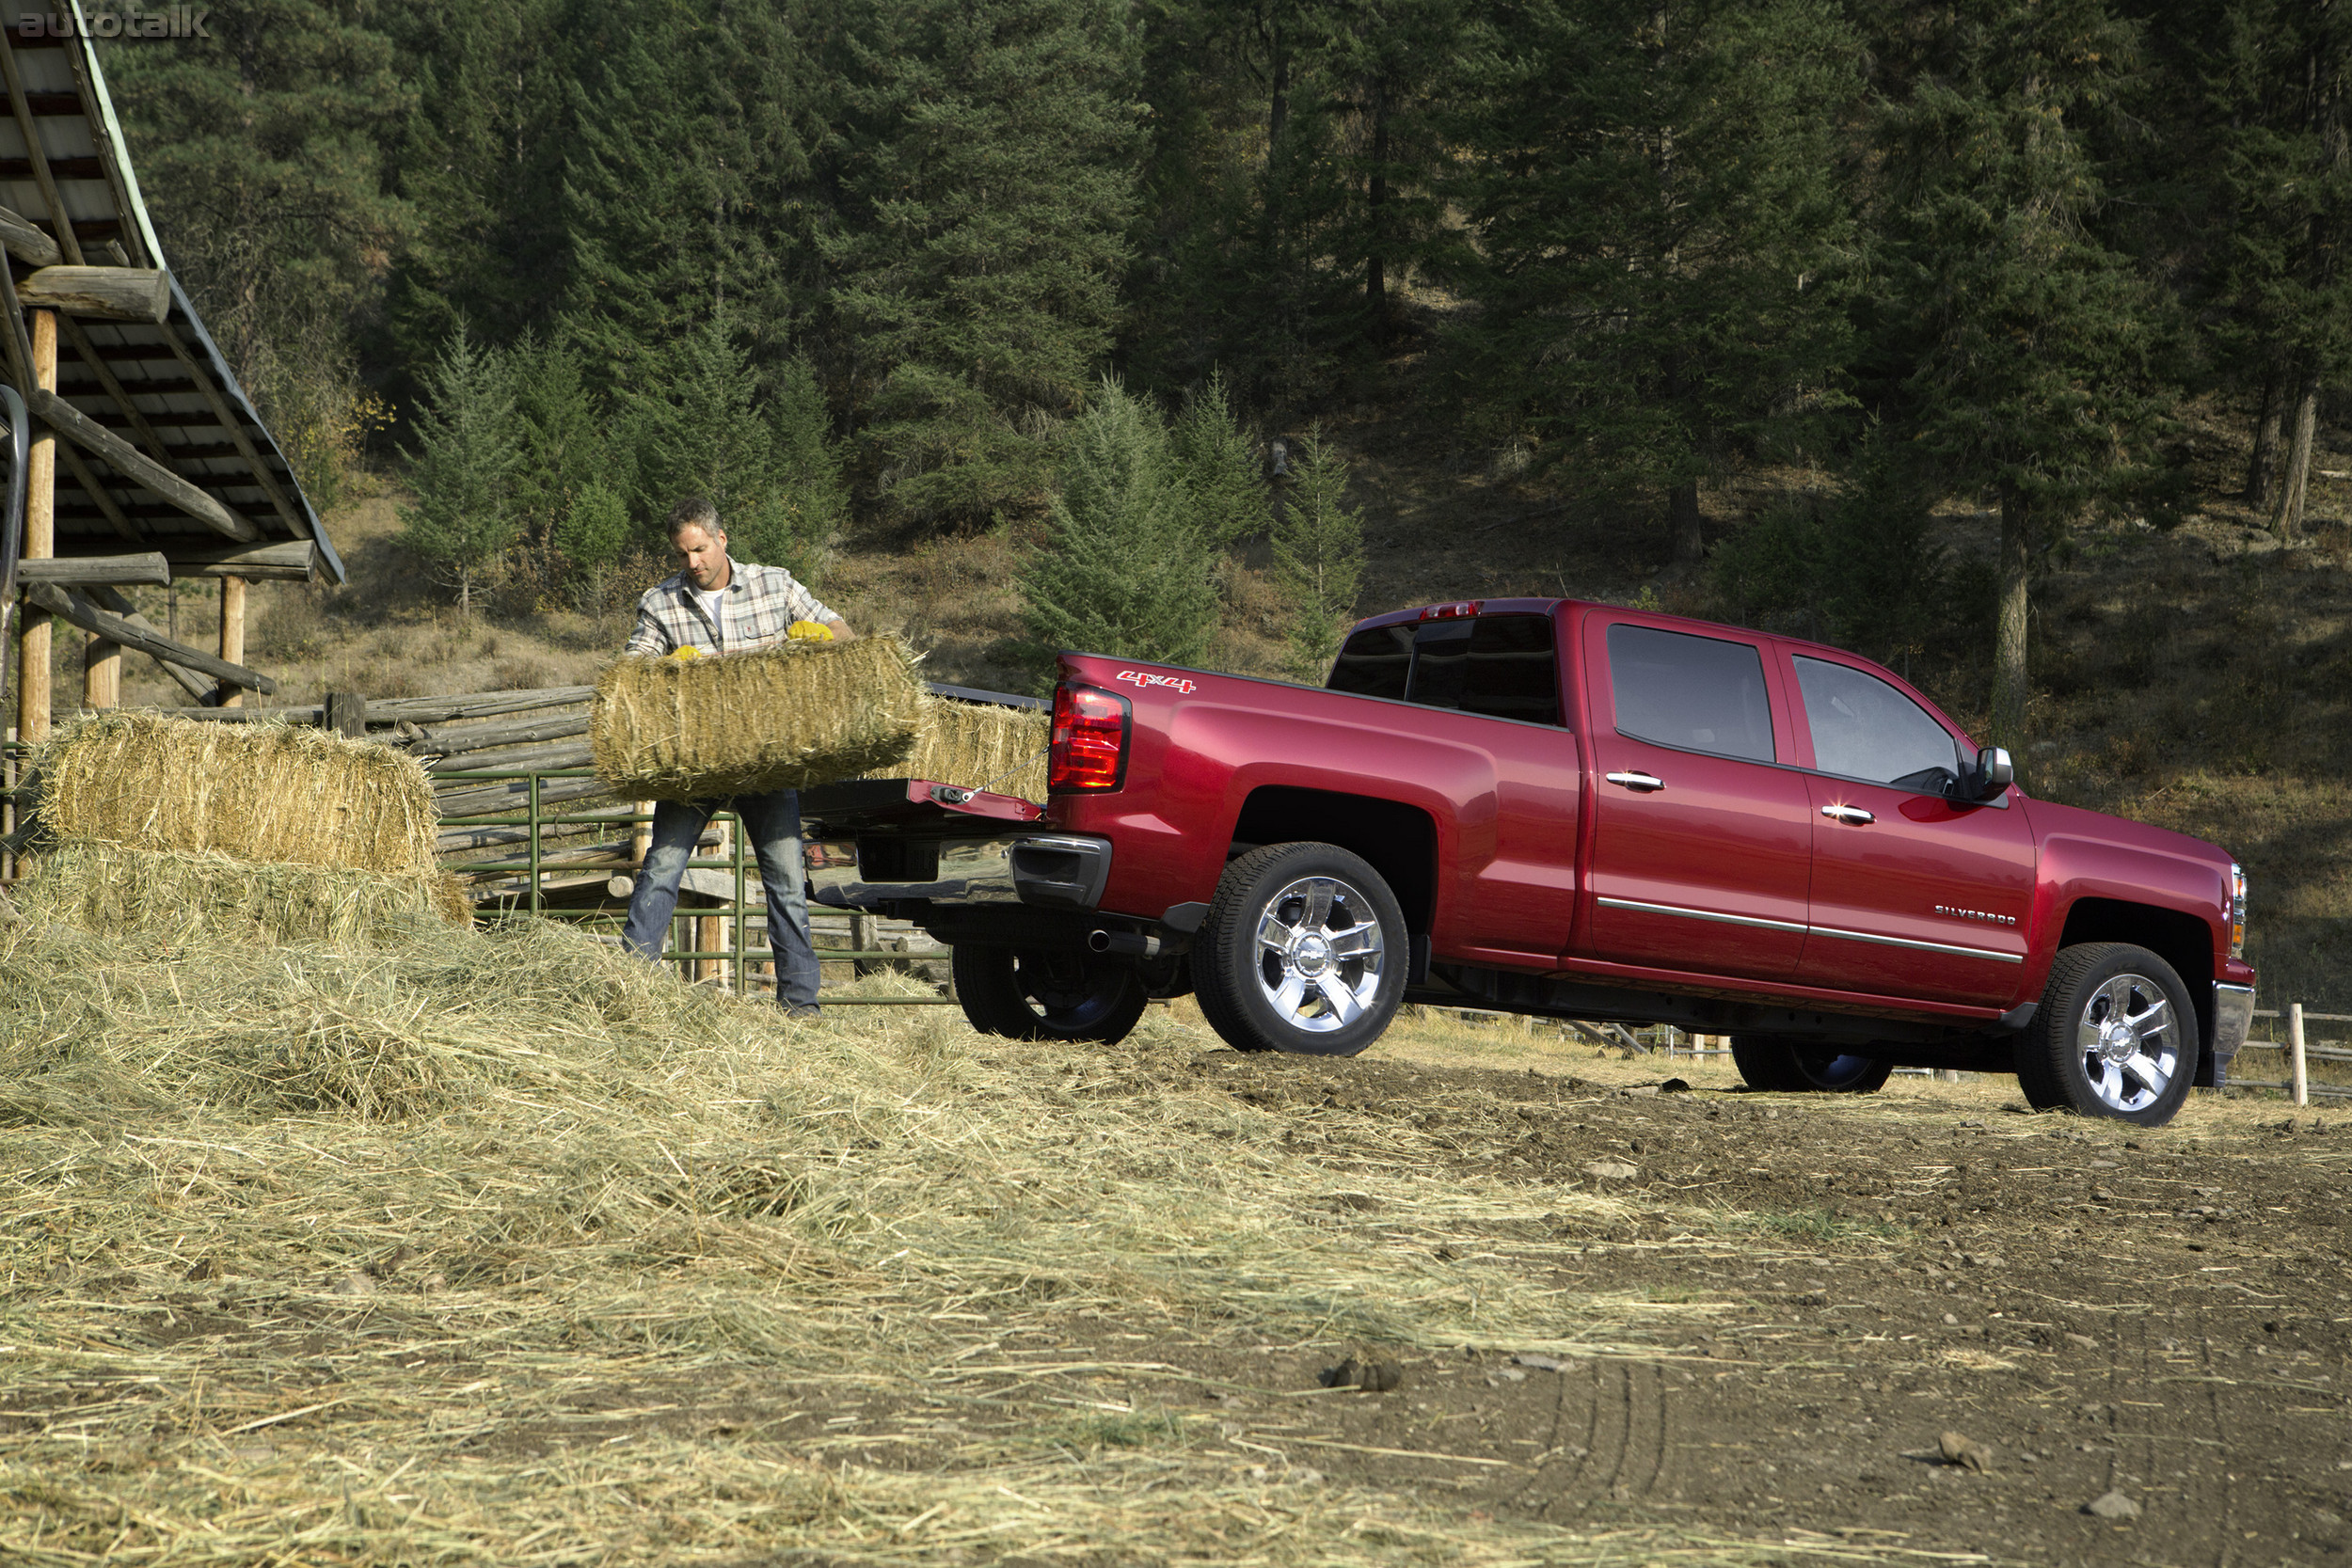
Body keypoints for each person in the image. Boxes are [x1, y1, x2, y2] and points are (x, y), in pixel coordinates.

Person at [619, 496, 853, 1017]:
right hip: (696, 764)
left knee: (787, 881)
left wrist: (819, 639)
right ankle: (629, 990)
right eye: (682, 555)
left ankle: (800, 1006)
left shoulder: (775, 584)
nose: (692, 563)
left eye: (700, 550)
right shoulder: (660, 603)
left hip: (767, 761)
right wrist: (662, 667)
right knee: (661, 867)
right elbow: (630, 673)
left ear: (722, 540)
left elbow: (841, 632)